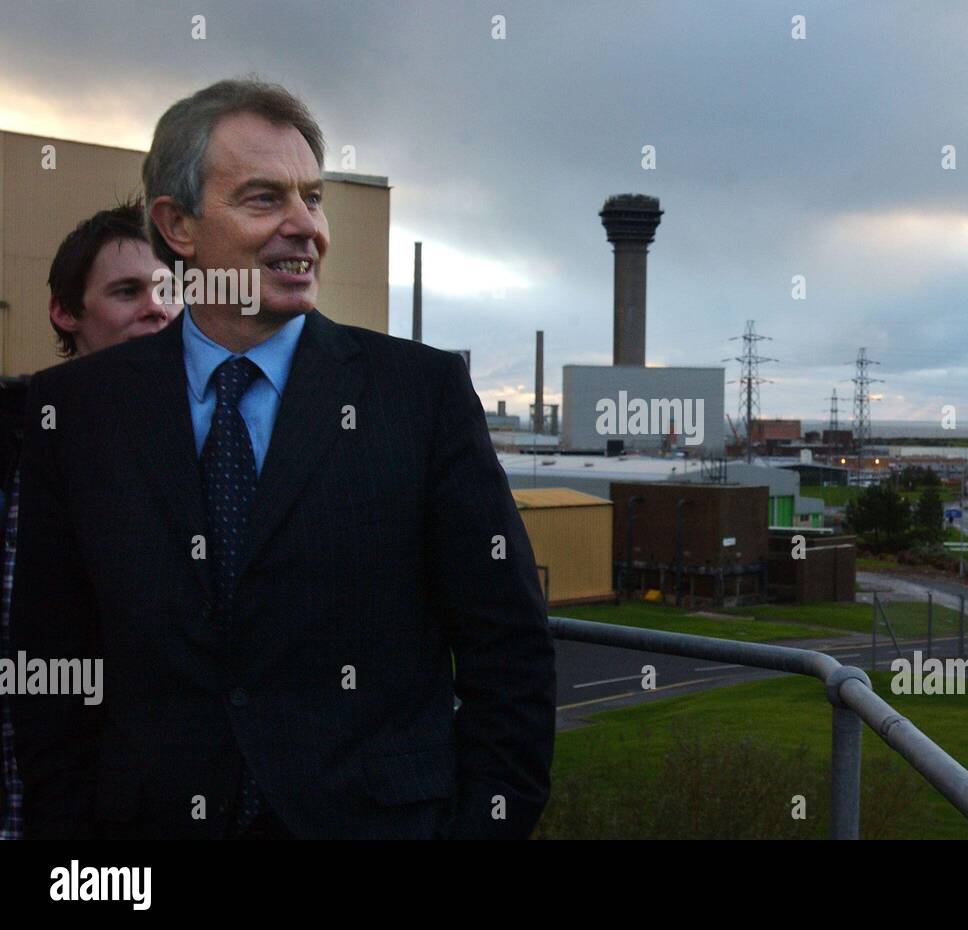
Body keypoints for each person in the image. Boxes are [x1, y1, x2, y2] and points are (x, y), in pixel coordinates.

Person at [10, 78, 555, 840]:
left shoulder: (419, 396)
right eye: (265, 199)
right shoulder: (76, 411)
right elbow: (50, 673)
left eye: (314, 198)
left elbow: (510, 654)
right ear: (177, 225)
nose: (306, 228)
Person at [0, 200, 179, 840]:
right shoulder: (21, 448)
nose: (156, 308)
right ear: (66, 313)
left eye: (168, 290)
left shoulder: (218, 456)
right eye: (127, 291)